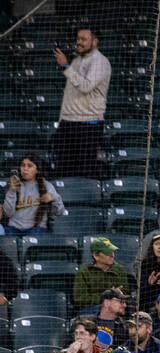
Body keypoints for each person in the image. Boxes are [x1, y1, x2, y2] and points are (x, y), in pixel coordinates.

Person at [51, 28, 110, 179]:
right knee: (63, 170)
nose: (79, 42)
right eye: (78, 39)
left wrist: (65, 66)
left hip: (87, 124)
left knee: (86, 171)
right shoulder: (77, 60)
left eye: (83, 39)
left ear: (95, 41)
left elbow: (86, 86)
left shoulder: (100, 61)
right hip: (69, 122)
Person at [2, 157, 64, 236]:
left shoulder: (47, 186)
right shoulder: (14, 184)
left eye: (29, 166)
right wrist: (12, 191)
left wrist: (53, 198)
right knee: (8, 233)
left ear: (37, 170)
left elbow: (60, 212)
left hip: (36, 229)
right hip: (14, 228)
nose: (25, 169)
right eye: (23, 165)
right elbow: (8, 213)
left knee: (36, 233)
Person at [73, 238, 129, 311]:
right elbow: (79, 299)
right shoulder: (84, 273)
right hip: (91, 310)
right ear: (96, 256)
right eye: (107, 253)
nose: (112, 255)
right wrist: (105, 296)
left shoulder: (119, 271)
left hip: (116, 309)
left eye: (112, 251)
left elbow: (125, 291)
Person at [90, 288, 129, 353]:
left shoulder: (125, 326)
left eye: (125, 302)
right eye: (121, 301)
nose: (125, 305)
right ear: (107, 303)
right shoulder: (87, 322)